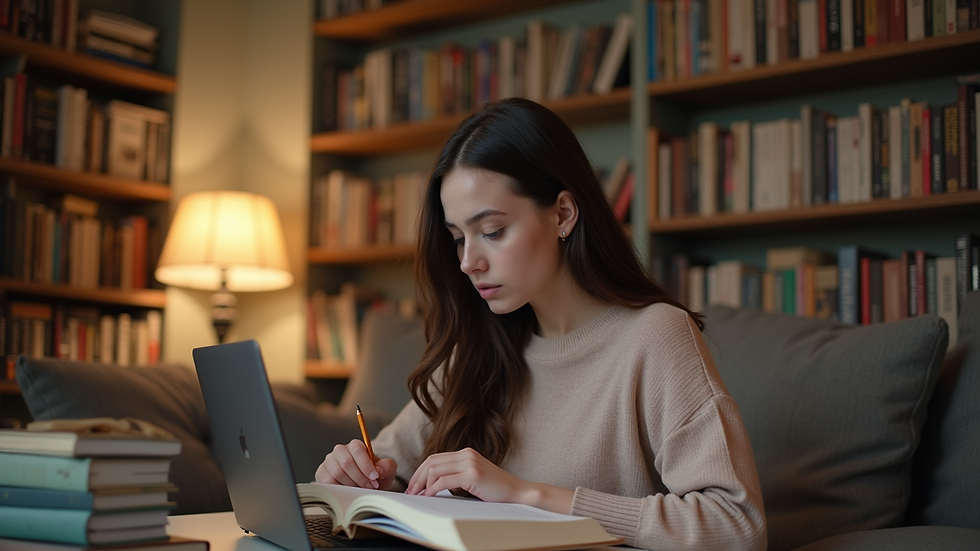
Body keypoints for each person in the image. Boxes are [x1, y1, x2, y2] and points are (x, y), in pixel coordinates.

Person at [315, 98, 767, 551]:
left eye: (491, 231)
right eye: (457, 238)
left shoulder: (655, 337)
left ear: (562, 214)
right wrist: (353, 478)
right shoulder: (478, 346)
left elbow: (736, 526)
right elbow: (388, 476)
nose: (469, 262)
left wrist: (525, 495)